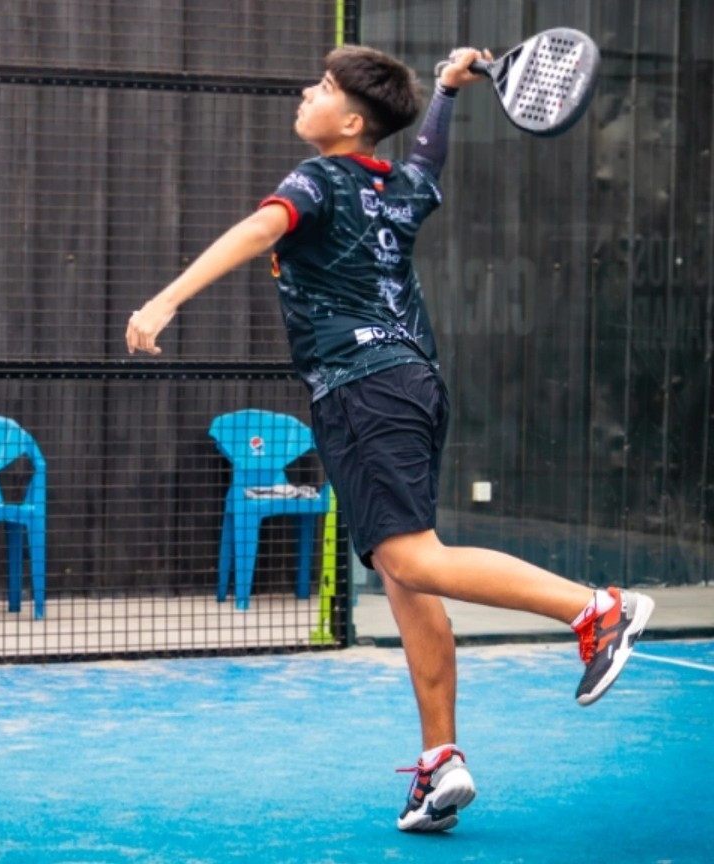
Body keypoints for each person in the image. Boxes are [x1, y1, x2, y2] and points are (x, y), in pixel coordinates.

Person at [125, 44, 655, 833]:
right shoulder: (402, 185)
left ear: (350, 122)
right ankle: (441, 763)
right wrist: (445, 91)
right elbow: (429, 154)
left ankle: (596, 610)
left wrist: (165, 300)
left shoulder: (316, 180)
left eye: (322, 87)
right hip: (415, 384)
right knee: (410, 580)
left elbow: (259, 229)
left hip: (362, 390)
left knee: (410, 562)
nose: (305, 93)